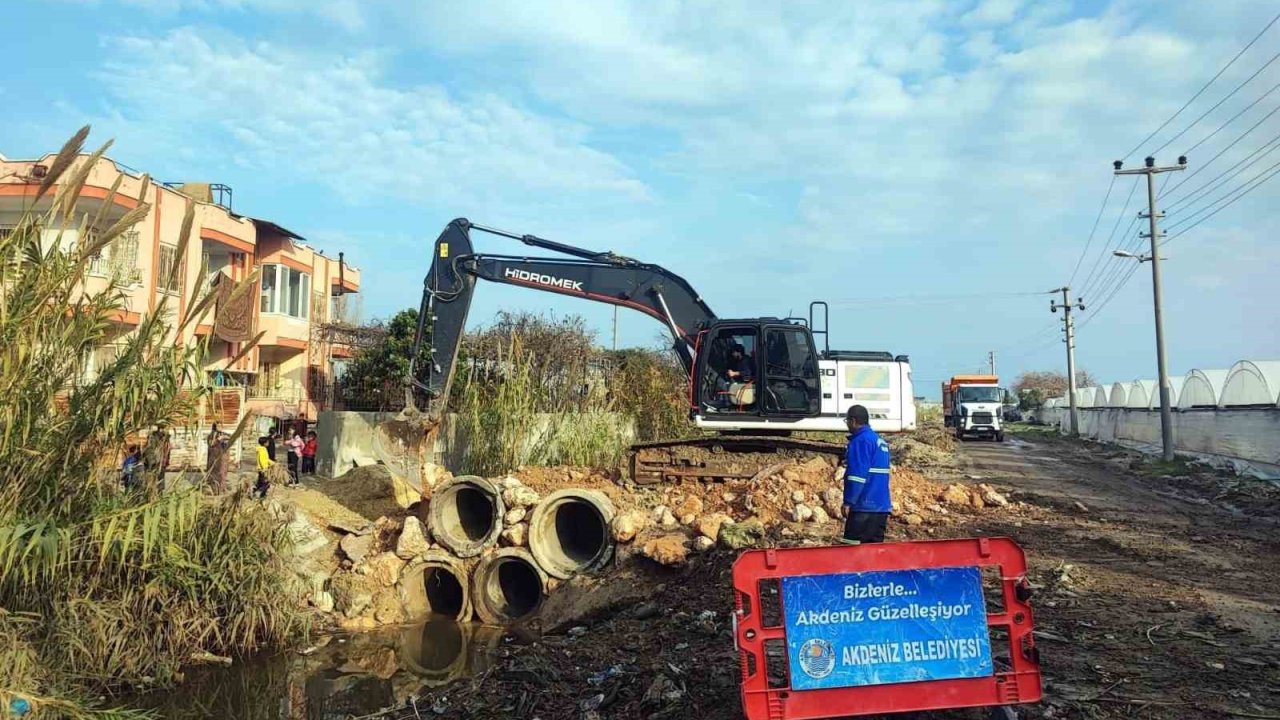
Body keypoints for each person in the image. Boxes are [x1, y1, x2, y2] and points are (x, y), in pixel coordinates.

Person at [840, 404, 892, 544]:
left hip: (864, 507)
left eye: (847, 422)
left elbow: (857, 476)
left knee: (851, 552)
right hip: (881, 507)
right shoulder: (878, 440)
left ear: (854, 421)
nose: (847, 425)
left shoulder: (861, 441)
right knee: (874, 554)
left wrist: (848, 502)